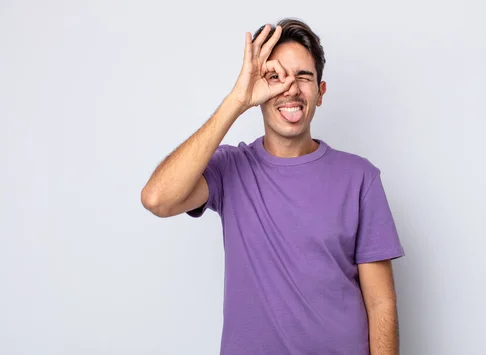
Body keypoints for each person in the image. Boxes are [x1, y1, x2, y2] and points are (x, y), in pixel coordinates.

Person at [141, 18, 405, 355]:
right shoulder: (229, 168)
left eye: (304, 77)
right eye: (276, 77)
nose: (291, 89)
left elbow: (381, 302)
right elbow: (157, 198)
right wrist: (237, 100)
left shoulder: (360, 178)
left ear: (320, 93)